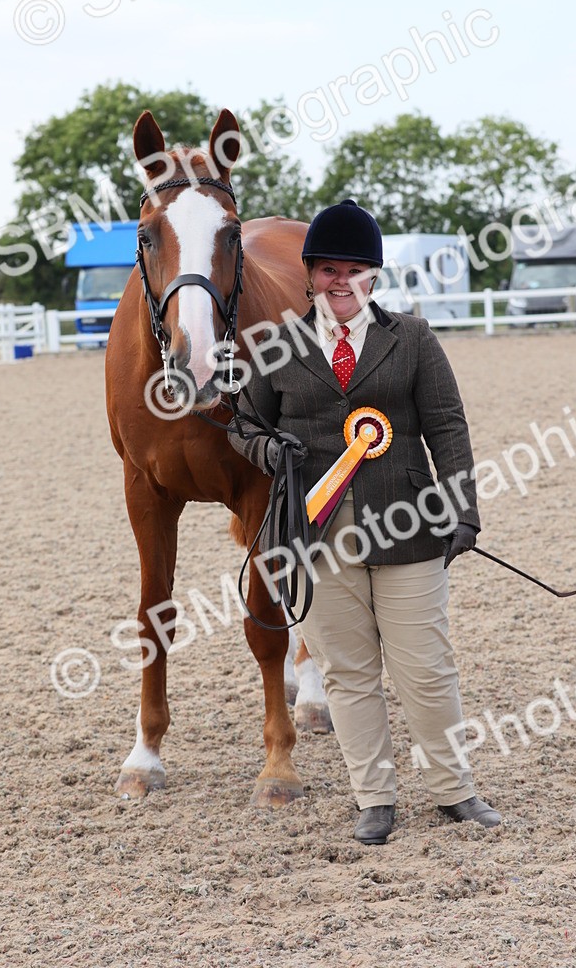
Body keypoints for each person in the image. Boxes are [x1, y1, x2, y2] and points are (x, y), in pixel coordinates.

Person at [228, 199, 501, 845]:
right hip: (313, 531)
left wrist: (464, 509)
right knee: (348, 672)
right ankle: (373, 797)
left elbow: (446, 426)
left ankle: (452, 789)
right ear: (310, 275)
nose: (340, 281)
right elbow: (243, 423)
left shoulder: (412, 338)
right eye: (328, 269)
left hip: (408, 525)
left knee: (425, 666)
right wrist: (271, 450)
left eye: (354, 269)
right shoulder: (276, 347)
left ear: (374, 276)